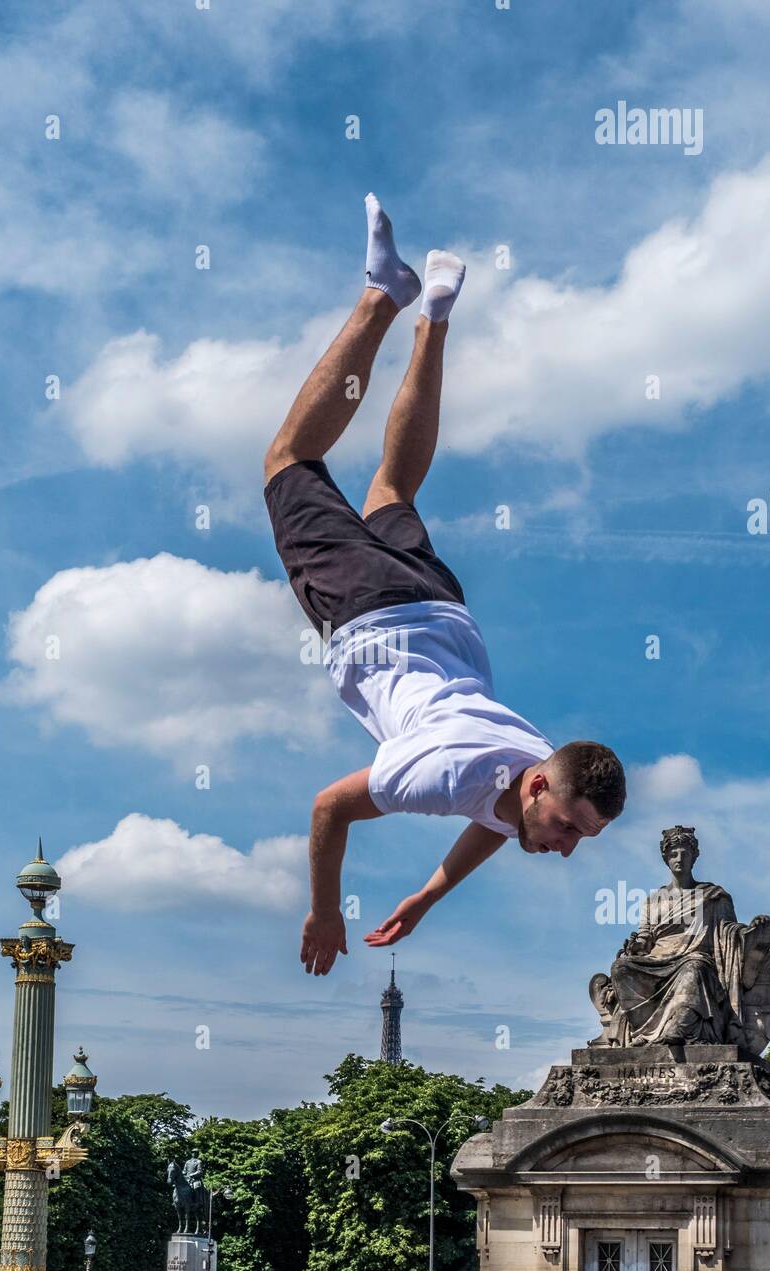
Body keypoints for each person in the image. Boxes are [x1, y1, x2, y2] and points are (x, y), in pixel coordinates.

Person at [264, 195, 627, 976]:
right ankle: (382, 295)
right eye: (566, 828)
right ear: (538, 787)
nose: (564, 850)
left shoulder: (529, 770)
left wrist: (426, 897)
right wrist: (326, 910)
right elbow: (331, 808)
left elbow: (490, 826)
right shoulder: (440, 772)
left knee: (391, 489)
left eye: (575, 838)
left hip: (444, 612)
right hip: (372, 617)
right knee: (289, 462)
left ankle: (433, 314)